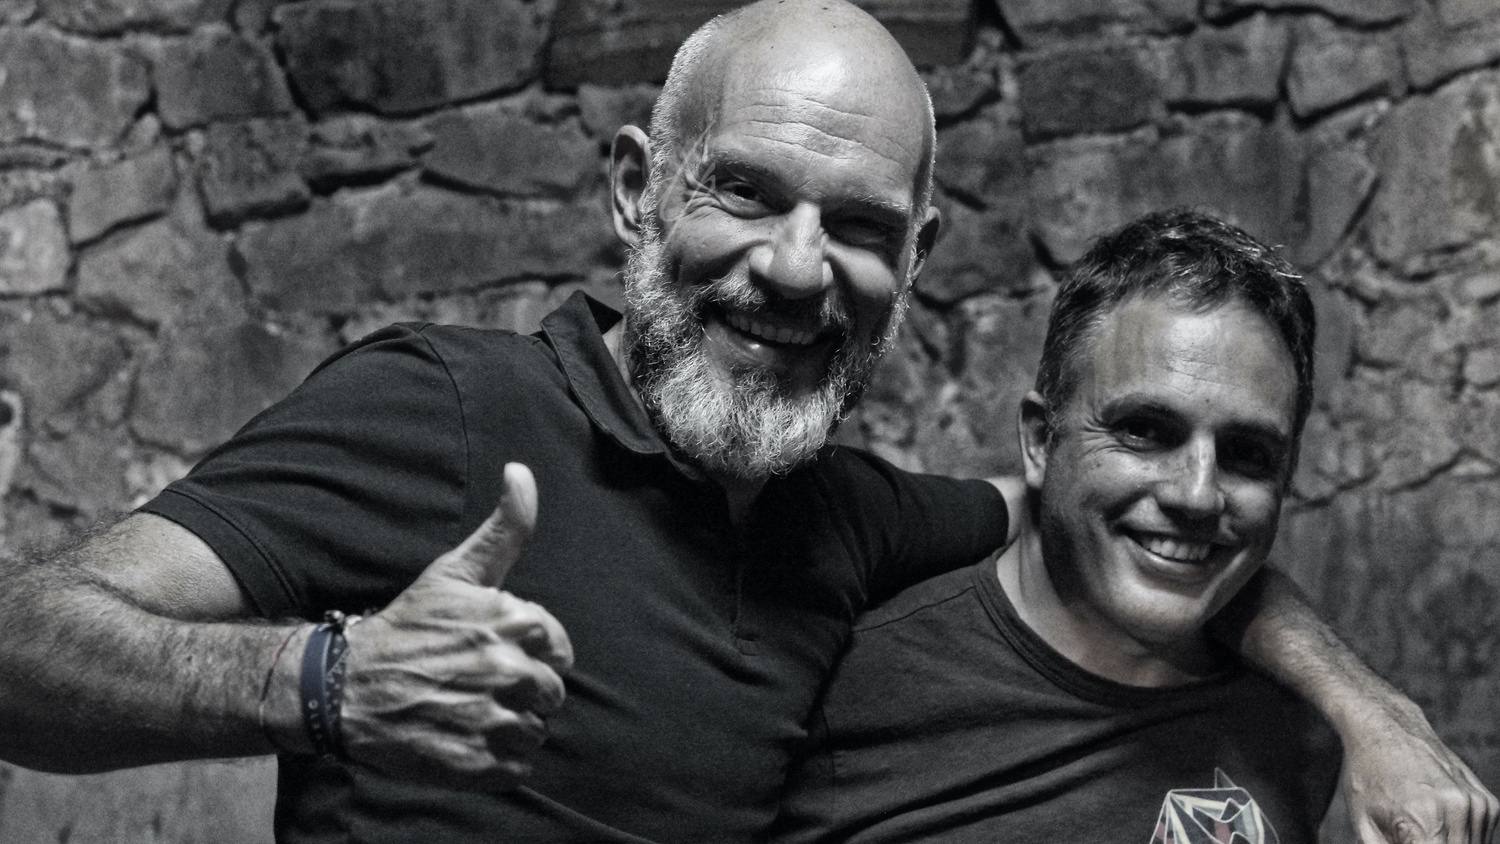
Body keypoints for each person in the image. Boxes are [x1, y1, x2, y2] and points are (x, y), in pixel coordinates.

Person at [0, 3, 1490, 843]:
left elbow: (1147, 515)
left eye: (859, 225)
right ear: (637, 192)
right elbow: (21, 649)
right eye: (746, 192)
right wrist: (324, 680)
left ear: (914, 259)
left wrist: (1377, 716)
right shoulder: (451, 409)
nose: (794, 267)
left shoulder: (845, 518)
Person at [773, 210, 1340, 843]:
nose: (1198, 496)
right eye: (1145, 431)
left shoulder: (1297, 724)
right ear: (1041, 442)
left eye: (1247, 454)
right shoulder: (857, 691)